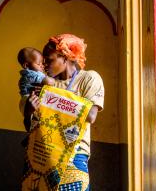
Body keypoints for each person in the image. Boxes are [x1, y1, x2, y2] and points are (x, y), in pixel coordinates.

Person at [21, 34, 105, 191]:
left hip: (74, 155)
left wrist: (51, 97)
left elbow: (90, 115)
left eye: (49, 60)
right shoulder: (44, 82)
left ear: (65, 57)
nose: (44, 65)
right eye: (43, 61)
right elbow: (30, 127)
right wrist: (28, 112)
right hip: (40, 155)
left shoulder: (89, 78)